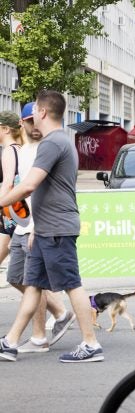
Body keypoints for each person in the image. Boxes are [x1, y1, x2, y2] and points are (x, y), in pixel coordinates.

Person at [0, 90, 103, 363]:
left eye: (34, 110)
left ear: (43, 112)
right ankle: (10, 342)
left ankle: (90, 344)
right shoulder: (58, 141)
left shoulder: (53, 143)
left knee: (72, 285)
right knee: (33, 285)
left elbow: (29, 185)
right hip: (45, 228)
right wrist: (35, 227)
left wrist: (1, 202)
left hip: (58, 228)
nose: (31, 116)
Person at [4, 102, 75, 353]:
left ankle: (34, 337)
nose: (34, 127)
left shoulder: (47, 148)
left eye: (36, 121)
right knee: (18, 278)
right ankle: (59, 312)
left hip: (41, 226)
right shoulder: (23, 151)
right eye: (29, 122)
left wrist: (35, 226)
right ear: (22, 123)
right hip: (25, 226)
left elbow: (35, 190)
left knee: (37, 282)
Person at [0, 111, 23, 287]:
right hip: (16, 213)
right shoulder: (20, 149)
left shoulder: (9, 151)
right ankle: (60, 311)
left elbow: (8, 184)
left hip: (11, 214)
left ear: (6, 129)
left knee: (22, 275)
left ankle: (59, 311)